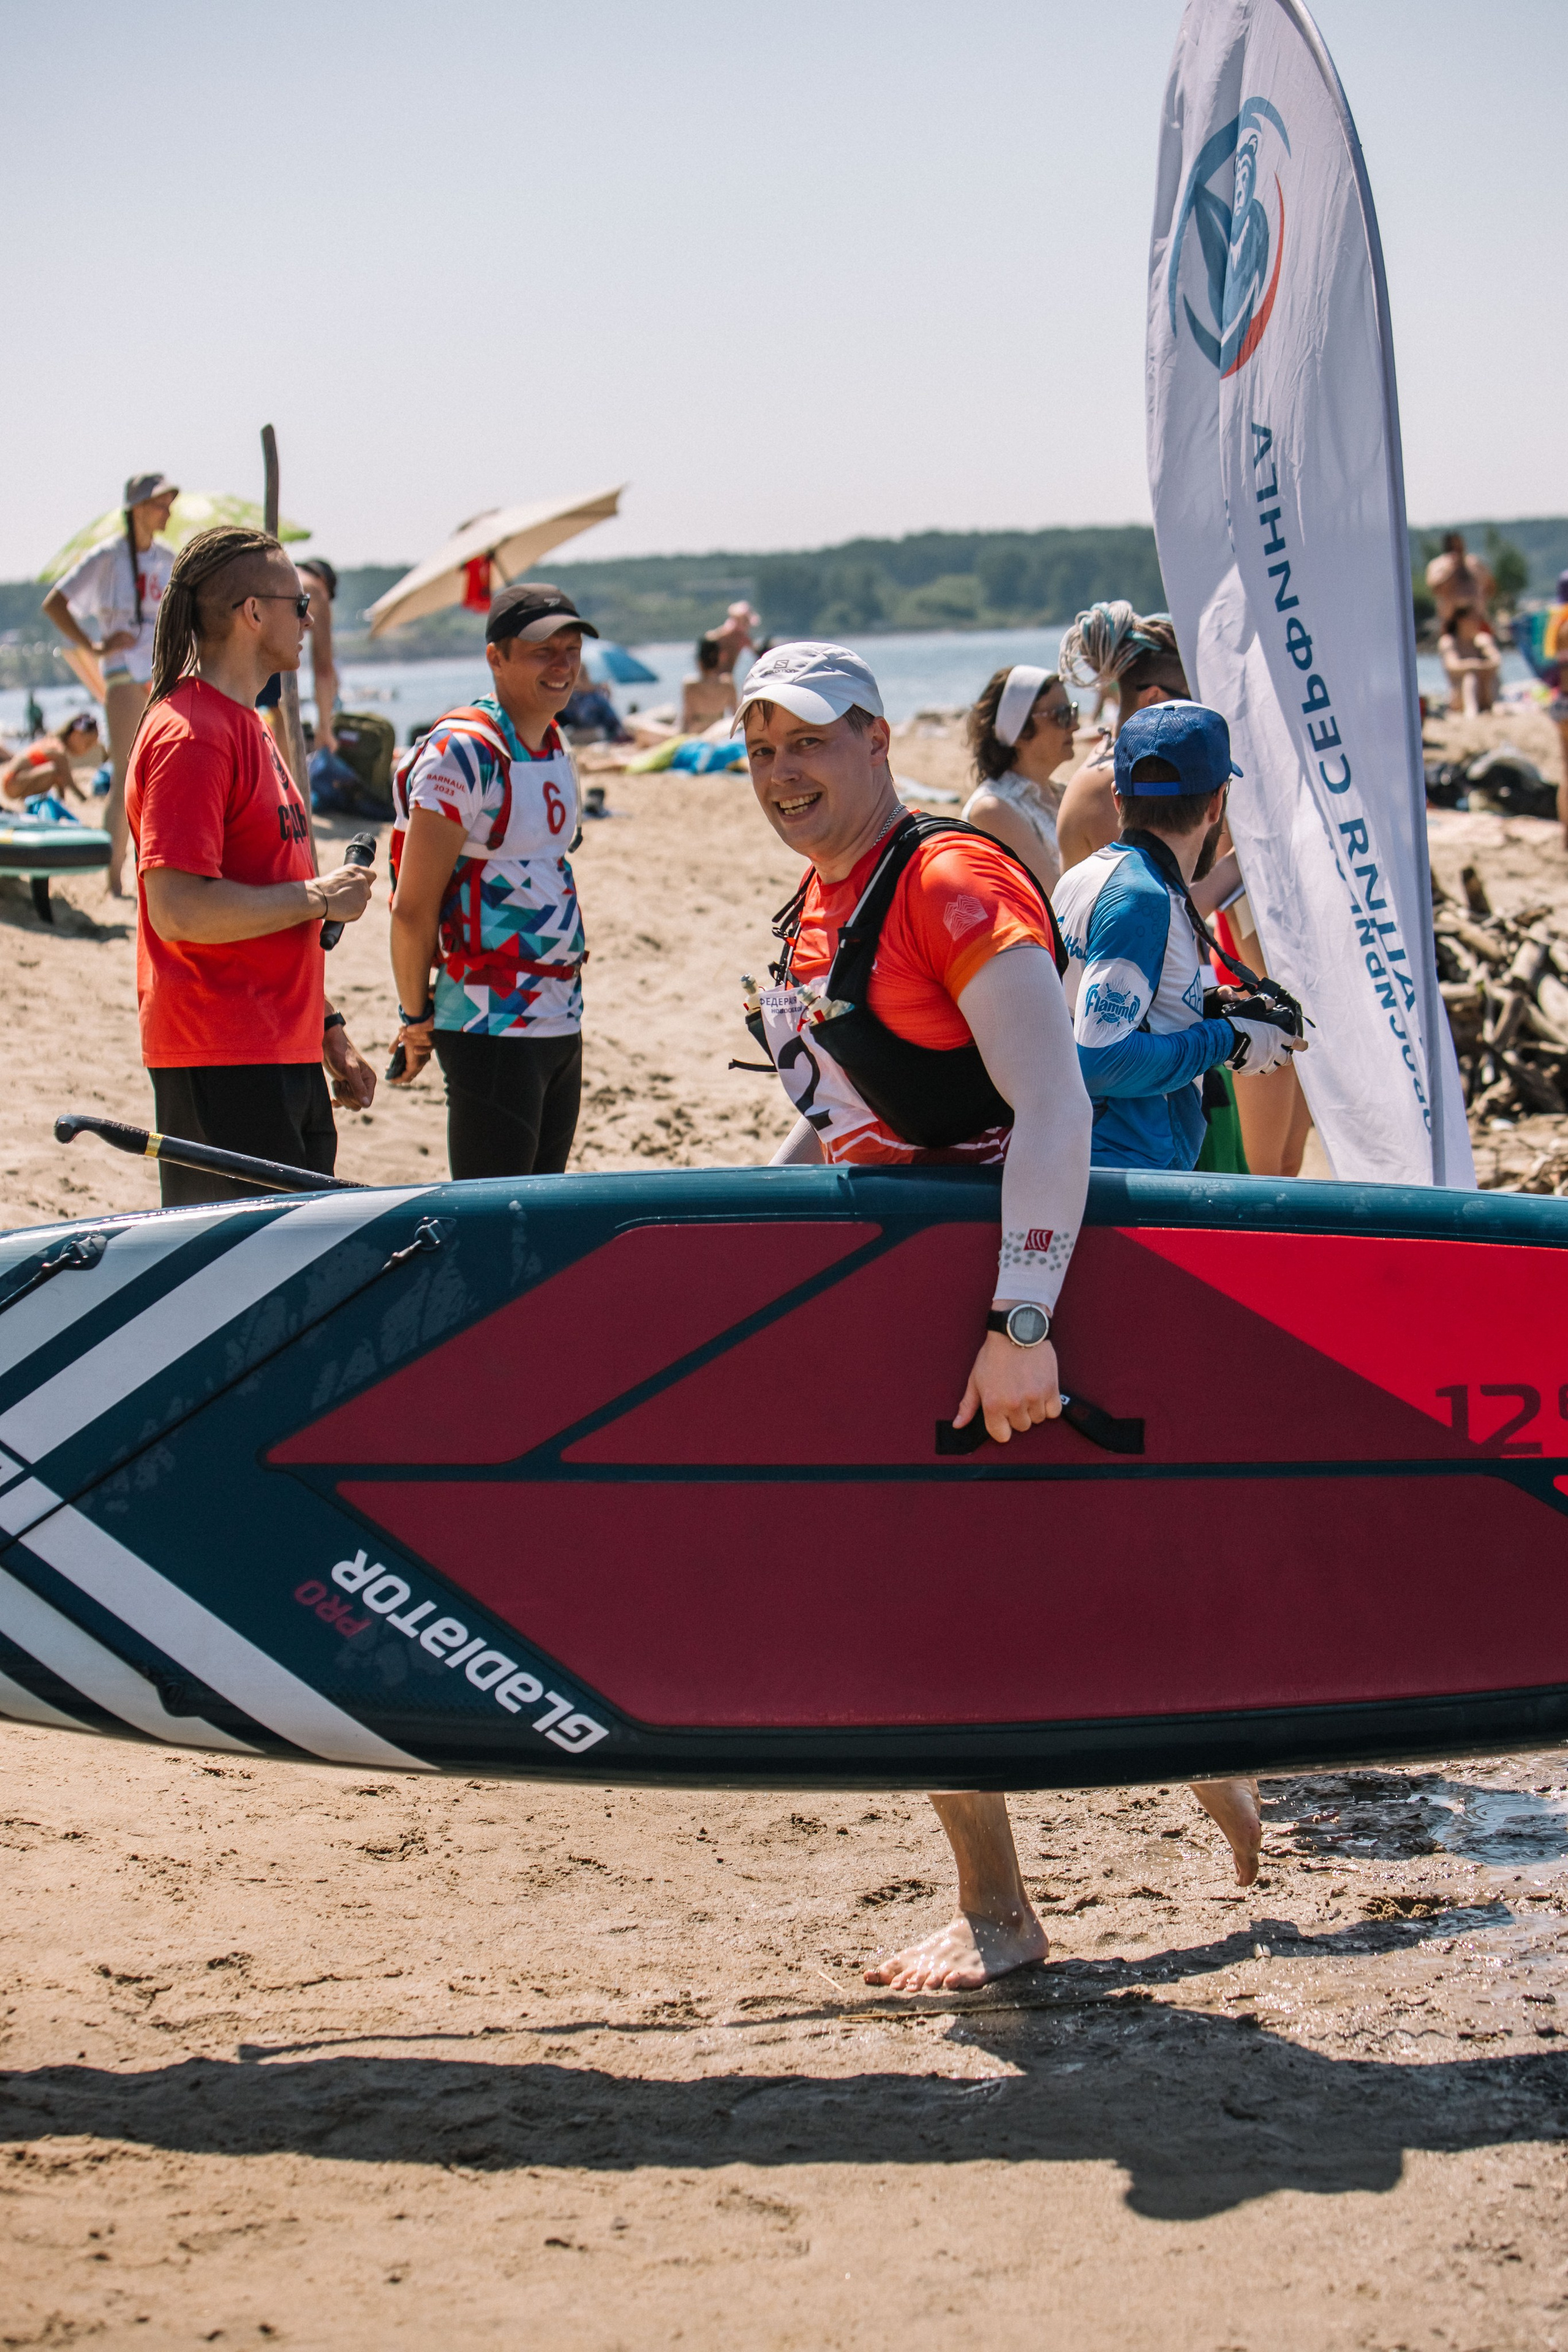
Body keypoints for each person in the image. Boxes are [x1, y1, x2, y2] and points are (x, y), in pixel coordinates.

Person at [738, 639, 1092, 1991]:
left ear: (878, 743)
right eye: (762, 749)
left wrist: (1021, 1320)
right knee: (934, 1598)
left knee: (936, 1604)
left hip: (999, 1285)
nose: (782, 773)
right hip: (897, 1294)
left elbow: (1055, 1106)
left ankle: (1002, 1914)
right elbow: (846, 1114)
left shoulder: (947, 881)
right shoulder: (818, 904)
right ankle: (1191, 1773)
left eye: (809, 743)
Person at [1050, 700, 1308, 1888]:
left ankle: (1186, 1715)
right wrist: (1223, 1050)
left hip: (1098, 1196)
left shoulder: (1099, 873)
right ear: (1213, 804)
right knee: (1171, 1472)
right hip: (1128, 1204)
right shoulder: (1144, 897)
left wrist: (1215, 1016)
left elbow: (1110, 1017)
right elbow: (1097, 1057)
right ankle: (1197, 1720)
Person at [124, 525, 377, 1207]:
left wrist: (326, 1029)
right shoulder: (192, 735)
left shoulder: (246, 726)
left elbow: (260, 897)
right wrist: (320, 898)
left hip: (280, 1046)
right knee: (239, 1288)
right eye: (299, 603)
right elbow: (181, 909)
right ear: (253, 613)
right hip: (222, 1052)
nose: (310, 619)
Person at [388, 582, 590, 1180]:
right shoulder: (464, 753)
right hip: (488, 1020)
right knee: (497, 1222)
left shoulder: (553, 741)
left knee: (539, 1213)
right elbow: (410, 908)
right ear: (495, 657)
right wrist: (414, 1016)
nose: (561, 665)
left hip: (561, 1014)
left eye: (571, 649)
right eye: (540, 650)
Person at [42, 472, 178, 898]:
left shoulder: (168, 557)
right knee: (126, 774)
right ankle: (115, 879)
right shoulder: (108, 557)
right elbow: (55, 603)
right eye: (160, 502)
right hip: (121, 674)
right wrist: (95, 647)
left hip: (160, 674)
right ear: (137, 508)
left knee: (161, 776)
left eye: (169, 501)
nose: (168, 510)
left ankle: (152, 874)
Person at [962, 664, 1080, 894]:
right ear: (1019, 728)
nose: (1075, 725)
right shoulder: (993, 809)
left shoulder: (1064, 794)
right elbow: (1053, 901)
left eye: (1073, 711)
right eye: (1062, 715)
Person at [1, 710, 100, 803]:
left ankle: (57, 803)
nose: (88, 750)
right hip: (13, 783)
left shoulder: (52, 741)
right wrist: (85, 799)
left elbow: (61, 781)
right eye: (88, 744)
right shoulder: (58, 749)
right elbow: (69, 783)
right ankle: (28, 800)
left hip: (15, 781)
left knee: (56, 772)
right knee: (54, 770)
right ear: (75, 735)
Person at [1439, 602, 1502, 716]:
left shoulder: (1481, 640)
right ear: (1461, 620)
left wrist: (1486, 647)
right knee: (1470, 676)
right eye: (1473, 618)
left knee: (1492, 676)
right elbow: (1452, 666)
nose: (1478, 621)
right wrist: (1477, 665)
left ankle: (1496, 706)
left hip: (1484, 694)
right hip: (1459, 697)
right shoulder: (1449, 641)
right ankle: (1471, 711)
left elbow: (1497, 660)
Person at [1426, 531, 1495, 631]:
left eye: (1459, 545)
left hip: (1477, 620)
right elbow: (1435, 589)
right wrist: (1452, 571)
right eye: (1453, 546)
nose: (1457, 549)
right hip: (1451, 622)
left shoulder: (1475, 563)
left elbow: (1491, 587)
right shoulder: (1438, 565)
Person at [680, 635, 737, 734]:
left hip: (696, 733)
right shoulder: (728, 683)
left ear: (699, 661)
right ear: (720, 659)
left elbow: (687, 720)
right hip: (719, 732)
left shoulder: (690, 685)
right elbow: (736, 714)